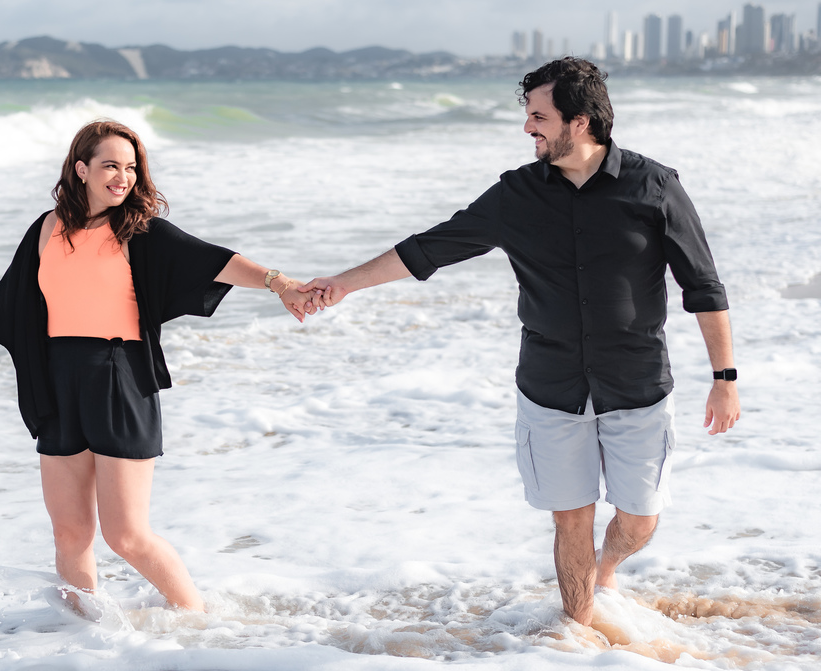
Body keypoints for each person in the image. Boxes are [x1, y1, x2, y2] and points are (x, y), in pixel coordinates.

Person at [299, 58, 740, 626]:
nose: (528, 128)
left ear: (580, 122)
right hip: (550, 385)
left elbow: (702, 285)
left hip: (637, 382)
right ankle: (577, 631)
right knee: (570, 519)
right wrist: (341, 284)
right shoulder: (516, 195)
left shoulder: (654, 186)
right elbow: (430, 248)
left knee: (640, 520)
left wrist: (724, 380)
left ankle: (607, 572)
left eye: (539, 116)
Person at [0, 120, 315, 613]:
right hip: (56, 379)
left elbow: (215, 262)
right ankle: (84, 633)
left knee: (126, 535)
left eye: (131, 167)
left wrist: (281, 283)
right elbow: (8, 296)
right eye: (111, 165)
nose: (122, 177)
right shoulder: (47, 227)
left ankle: (199, 622)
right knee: (70, 532)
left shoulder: (140, 229)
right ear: (81, 168)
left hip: (118, 376)